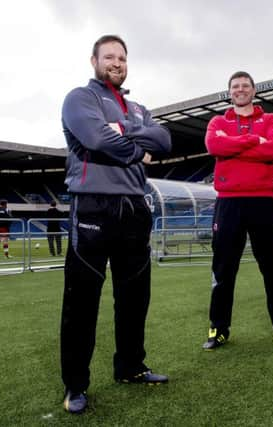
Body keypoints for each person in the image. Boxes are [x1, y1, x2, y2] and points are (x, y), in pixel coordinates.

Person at [60, 34, 172, 414]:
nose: (116, 62)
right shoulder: (80, 98)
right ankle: (76, 385)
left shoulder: (139, 107)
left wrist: (121, 133)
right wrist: (138, 149)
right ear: (94, 60)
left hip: (135, 210)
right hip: (92, 207)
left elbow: (165, 139)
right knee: (81, 303)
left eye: (122, 57)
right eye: (109, 56)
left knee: (134, 298)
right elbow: (94, 137)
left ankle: (130, 367)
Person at [203, 71, 273, 351]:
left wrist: (231, 146)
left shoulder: (271, 120)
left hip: (263, 201)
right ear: (229, 92)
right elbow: (213, 145)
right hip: (229, 202)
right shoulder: (217, 122)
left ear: (254, 91)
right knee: (223, 270)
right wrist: (254, 141)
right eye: (235, 86)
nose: (241, 90)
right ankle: (218, 329)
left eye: (245, 86)